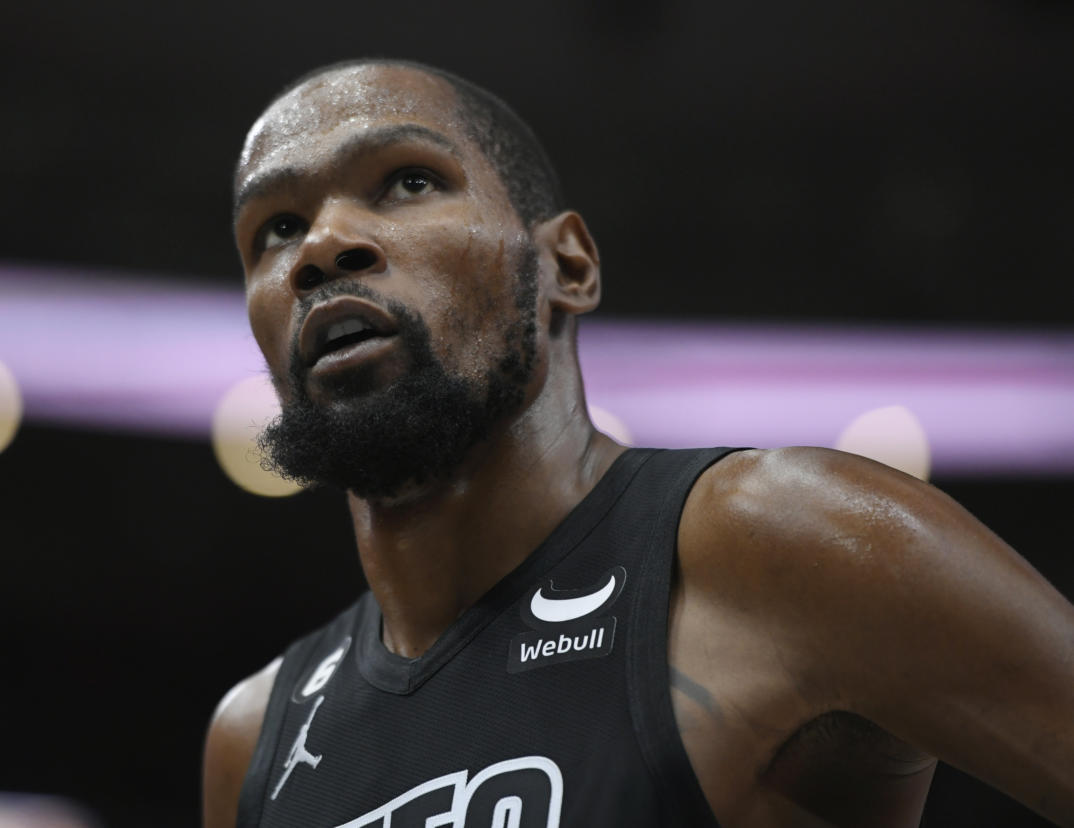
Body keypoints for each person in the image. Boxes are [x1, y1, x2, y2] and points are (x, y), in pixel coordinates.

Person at [203, 58, 1074, 827]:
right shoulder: (255, 737)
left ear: (567, 268)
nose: (319, 247)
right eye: (275, 230)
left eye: (407, 181)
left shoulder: (785, 541)